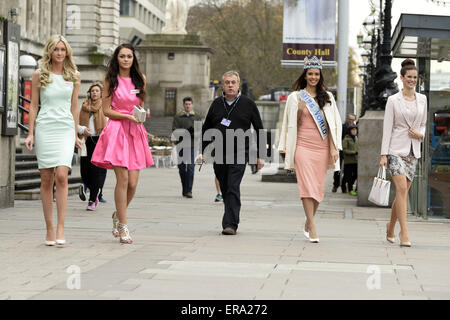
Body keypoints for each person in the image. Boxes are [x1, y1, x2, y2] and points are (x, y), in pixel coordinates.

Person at [91, 43, 154, 244]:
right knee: (123, 179)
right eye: (122, 56)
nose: (126, 59)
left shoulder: (140, 79)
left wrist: (142, 116)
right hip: (117, 130)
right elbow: (106, 110)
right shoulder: (110, 80)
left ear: (134, 59)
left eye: (129, 56)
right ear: (116, 59)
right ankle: (124, 227)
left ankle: (118, 214)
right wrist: (126, 117)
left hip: (135, 131)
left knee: (133, 184)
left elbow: (141, 107)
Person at [24, 35, 82, 246]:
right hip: (45, 127)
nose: (59, 53)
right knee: (47, 178)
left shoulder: (74, 75)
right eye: (56, 49)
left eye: (62, 49)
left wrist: (75, 134)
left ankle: (61, 227)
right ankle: (49, 228)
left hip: (65, 128)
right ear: (49, 51)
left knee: (62, 175)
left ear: (67, 52)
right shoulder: (40, 74)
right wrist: (30, 133)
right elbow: (32, 106)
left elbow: (75, 107)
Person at [278, 56, 342, 243]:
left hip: (322, 148)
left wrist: (333, 148)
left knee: (318, 189)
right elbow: (289, 124)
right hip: (303, 147)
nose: (313, 77)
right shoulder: (295, 97)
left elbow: (334, 125)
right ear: (305, 76)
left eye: (316, 74)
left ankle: (308, 221)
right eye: (310, 74)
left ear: (320, 76)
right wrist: (299, 109)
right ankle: (313, 227)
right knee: (306, 187)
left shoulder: (328, 97)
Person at [199, 70, 265, 235]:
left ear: (238, 84)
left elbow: (259, 129)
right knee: (225, 186)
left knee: (233, 187)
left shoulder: (248, 104)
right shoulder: (216, 104)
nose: (230, 85)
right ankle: (230, 216)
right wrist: (201, 152)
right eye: (227, 82)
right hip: (220, 152)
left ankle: (230, 224)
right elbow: (207, 129)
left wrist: (261, 155)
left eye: (233, 82)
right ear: (222, 85)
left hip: (240, 152)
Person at [380, 59, 427, 248]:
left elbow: (423, 123)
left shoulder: (422, 99)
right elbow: (387, 128)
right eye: (409, 77)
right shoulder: (393, 100)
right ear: (402, 78)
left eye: (415, 78)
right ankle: (404, 232)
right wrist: (383, 154)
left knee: (402, 193)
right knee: (400, 190)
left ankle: (390, 226)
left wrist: (420, 134)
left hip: (413, 151)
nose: (412, 80)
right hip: (395, 150)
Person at [78, 82, 108, 210]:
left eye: (97, 91)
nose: (94, 93)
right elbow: (76, 123)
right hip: (85, 140)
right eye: (92, 91)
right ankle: (86, 186)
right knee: (84, 169)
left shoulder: (105, 106)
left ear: (101, 93)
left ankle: (92, 199)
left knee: (95, 171)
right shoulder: (84, 106)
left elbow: (109, 123)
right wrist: (82, 129)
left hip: (99, 140)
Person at [172, 97, 202, 198]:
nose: (188, 106)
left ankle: (189, 190)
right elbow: (174, 130)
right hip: (181, 145)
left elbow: (200, 131)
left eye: (189, 104)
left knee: (190, 167)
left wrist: (193, 133)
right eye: (186, 104)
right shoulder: (178, 117)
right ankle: (184, 188)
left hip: (192, 145)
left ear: (192, 105)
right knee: (181, 168)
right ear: (183, 105)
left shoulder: (197, 117)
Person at [332, 112, 356, 193]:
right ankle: (336, 184)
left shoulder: (355, 128)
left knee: (348, 171)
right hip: (341, 151)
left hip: (351, 154)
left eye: (353, 120)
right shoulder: (342, 127)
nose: (351, 121)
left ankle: (345, 185)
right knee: (338, 169)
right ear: (347, 119)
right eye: (350, 119)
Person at [342, 124, 358, 196]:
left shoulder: (357, 138)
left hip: (356, 161)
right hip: (348, 161)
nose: (355, 131)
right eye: (353, 130)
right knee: (347, 176)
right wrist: (353, 152)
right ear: (349, 131)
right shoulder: (346, 139)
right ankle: (350, 189)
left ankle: (349, 187)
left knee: (355, 175)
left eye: (355, 129)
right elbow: (344, 150)